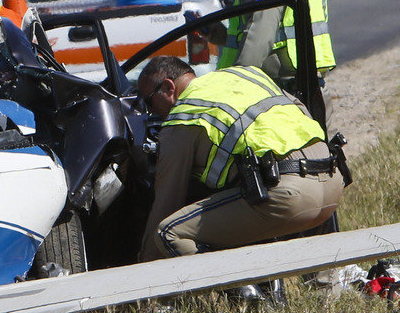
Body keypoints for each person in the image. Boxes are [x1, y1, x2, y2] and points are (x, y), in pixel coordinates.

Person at [135, 56, 346, 262]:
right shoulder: (245, 74)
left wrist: (141, 271)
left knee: (168, 233)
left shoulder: (183, 116)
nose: (150, 111)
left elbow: (167, 202)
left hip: (290, 196)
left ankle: (241, 292)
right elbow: (301, 110)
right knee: (244, 201)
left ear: (169, 87)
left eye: (148, 102)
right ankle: (325, 288)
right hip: (333, 183)